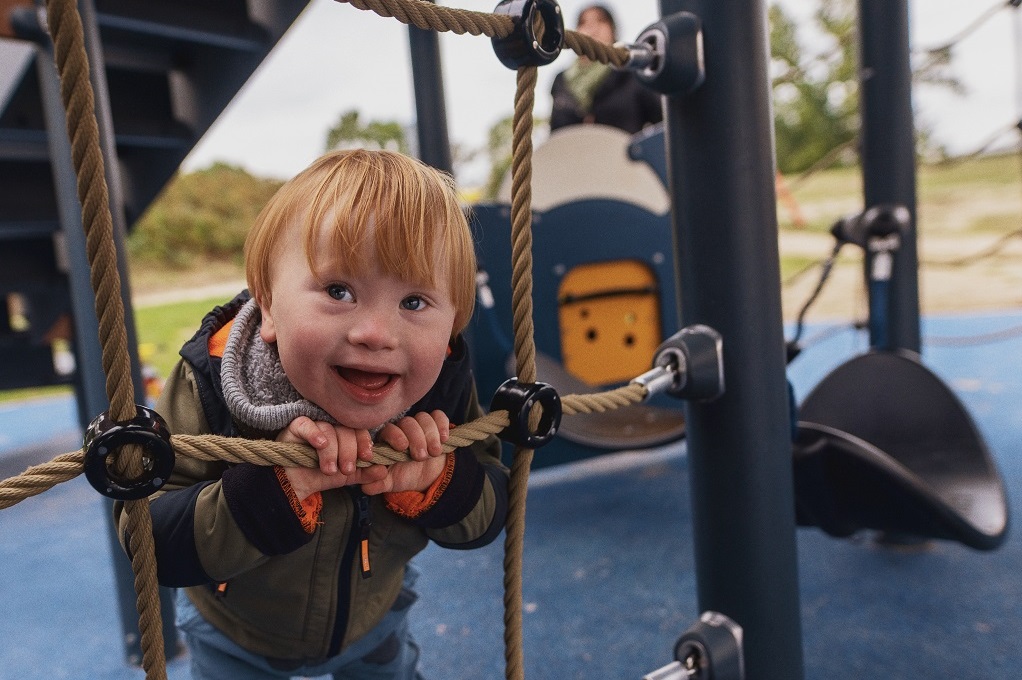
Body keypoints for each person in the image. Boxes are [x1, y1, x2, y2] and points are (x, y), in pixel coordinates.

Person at [115, 149, 508, 679]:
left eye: (414, 302)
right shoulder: (217, 380)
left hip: (375, 620)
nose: (376, 333)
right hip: (238, 631)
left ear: (453, 324)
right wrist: (272, 491)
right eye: (338, 290)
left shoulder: (441, 386)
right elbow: (149, 539)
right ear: (271, 307)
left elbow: (489, 509)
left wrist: (437, 482)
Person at [549, 4, 663, 134]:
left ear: (613, 30)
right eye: (583, 22)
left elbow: (662, 125)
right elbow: (554, 132)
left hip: (621, 153)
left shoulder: (633, 75)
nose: (592, 28)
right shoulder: (561, 81)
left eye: (601, 21)